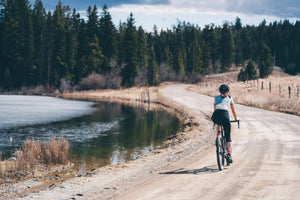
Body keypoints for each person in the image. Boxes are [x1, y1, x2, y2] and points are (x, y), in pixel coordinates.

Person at [211, 84, 239, 163]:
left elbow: (215, 108)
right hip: (225, 116)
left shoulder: (215, 98)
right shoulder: (229, 98)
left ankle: (218, 136)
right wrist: (236, 119)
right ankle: (229, 154)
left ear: (219, 91)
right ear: (228, 91)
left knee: (218, 123)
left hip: (215, 116)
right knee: (227, 136)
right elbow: (233, 110)